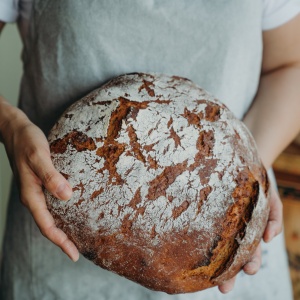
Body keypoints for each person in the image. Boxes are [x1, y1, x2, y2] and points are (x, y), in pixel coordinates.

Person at [0, 1, 300, 299]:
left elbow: (291, 65)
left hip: (231, 230)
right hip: (54, 247)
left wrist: (251, 159)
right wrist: (9, 125)